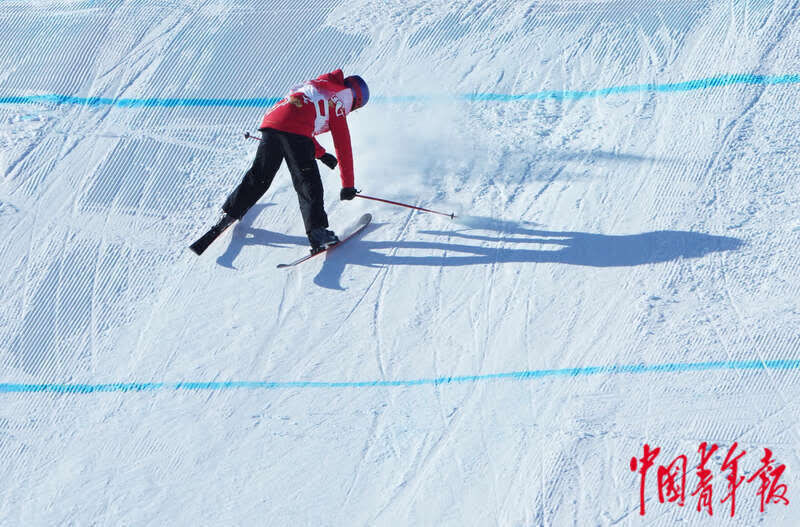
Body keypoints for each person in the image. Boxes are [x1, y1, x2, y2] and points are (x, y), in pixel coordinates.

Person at [219, 69, 369, 253]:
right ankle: (318, 233)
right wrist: (348, 186)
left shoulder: (316, 87)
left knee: (260, 176)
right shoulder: (338, 101)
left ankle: (230, 213)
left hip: (272, 123)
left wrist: (321, 154)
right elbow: (343, 146)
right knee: (308, 182)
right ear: (355, 101)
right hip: (294, 130)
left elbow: (300, 117)